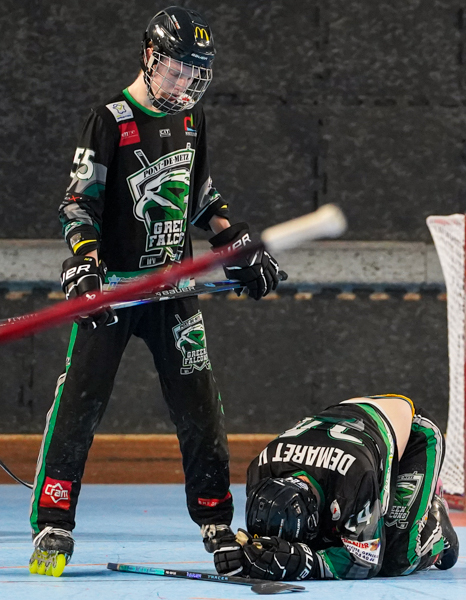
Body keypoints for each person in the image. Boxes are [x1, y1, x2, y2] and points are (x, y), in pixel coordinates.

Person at [29, 7, 281, 577]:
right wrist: (85, 263)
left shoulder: (192, 118)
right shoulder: (110, 119)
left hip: (172, 291)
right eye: (177, 69)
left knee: (199, 406)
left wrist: (236, 245)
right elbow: (78, 202)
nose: (186, 83)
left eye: (196, 73)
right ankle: (54, 521)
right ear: (149, 55)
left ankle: (216, 521)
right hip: (113, 294)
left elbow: (201, 197)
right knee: (80, 404)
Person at [225, 394, 458, 580]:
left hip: (412, 433)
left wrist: (302, 561)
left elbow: (366, 560)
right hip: (354, 425)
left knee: (396, 559)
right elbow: (269, 534)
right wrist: (242, 555)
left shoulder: (354, 476)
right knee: (332, 542)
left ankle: (436, 523)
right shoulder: (259, 471)